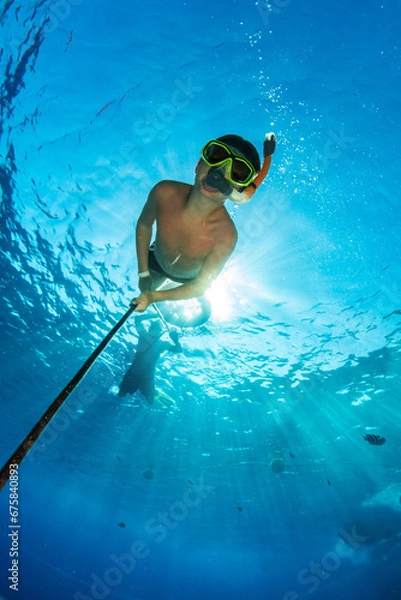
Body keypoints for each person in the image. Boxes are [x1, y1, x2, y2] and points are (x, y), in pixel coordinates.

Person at [133, 132, 276, 314]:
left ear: (239, 190)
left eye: (238, 171)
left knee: (161, 296)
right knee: (141, 298)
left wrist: (154, 297)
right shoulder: (164, 192)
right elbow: (145, 225)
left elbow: (200, 285)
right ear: (199, 164)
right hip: (155, 261)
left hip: (190, 280)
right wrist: (143, 272)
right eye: (216, 157)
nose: (220, 172)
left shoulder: (226, 236)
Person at [118, 316, 182, 404]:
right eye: (153, 328)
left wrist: (175, 339)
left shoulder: (162, 344)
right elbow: (137, 319)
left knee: (150, 400)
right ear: (150, 329)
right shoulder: (143, 335)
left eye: (157, 330)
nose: (155, 332)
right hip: (135, 371)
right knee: (121, 393)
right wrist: (156, 314)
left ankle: (154, 393)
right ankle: (153, 392)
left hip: (146, 374)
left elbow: (178, 349)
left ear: (160, 332)